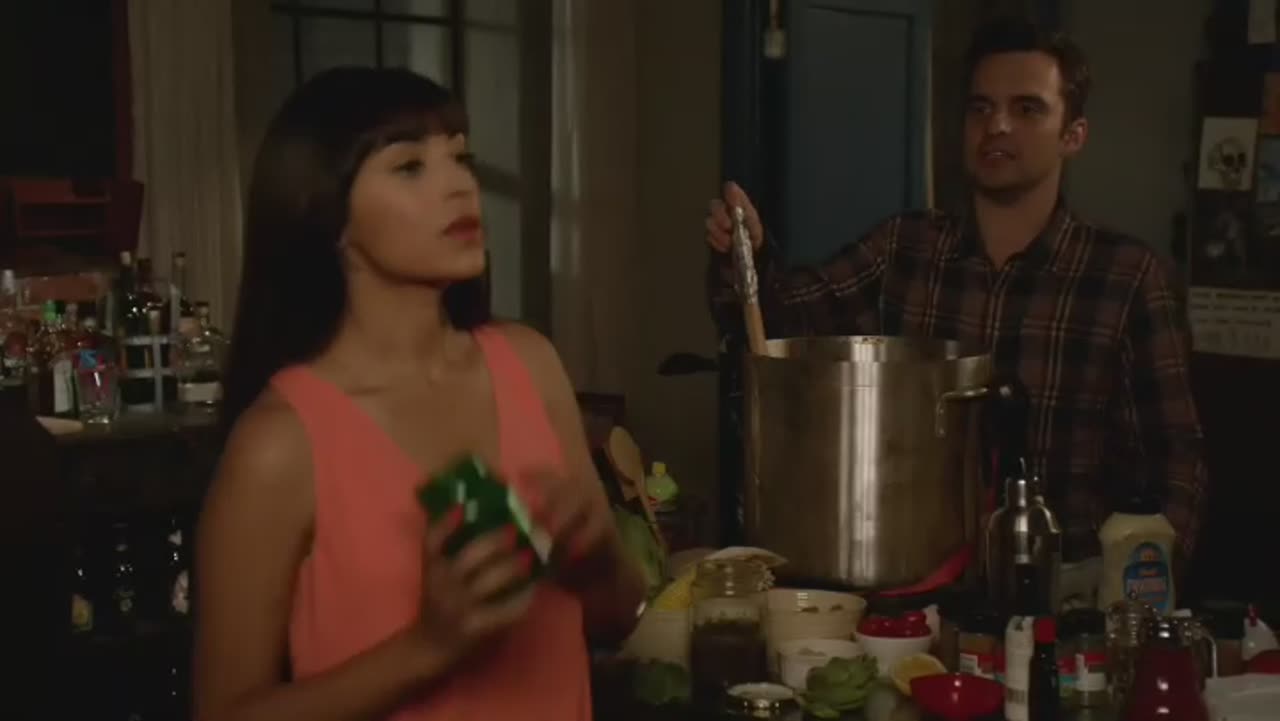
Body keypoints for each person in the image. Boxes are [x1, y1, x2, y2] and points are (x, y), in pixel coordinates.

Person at [195, 67, 646, 721]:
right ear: (329, 216)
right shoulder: (280, 445)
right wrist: (430, 646)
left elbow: (617, 617)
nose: (460, 186)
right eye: (410, 167)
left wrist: (599, 562)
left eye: (461, 158)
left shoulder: (530, 364)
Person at [704, 18, 1206, 579]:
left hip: (1065, 600)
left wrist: (1144, 587)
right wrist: (745, 255)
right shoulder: (905, 249)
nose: (997, 125)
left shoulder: (1126, 277)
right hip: (909, 591)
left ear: (1074, 134)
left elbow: (1175, 461)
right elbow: (774, 325)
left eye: (1027, 108)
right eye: (980, 108)